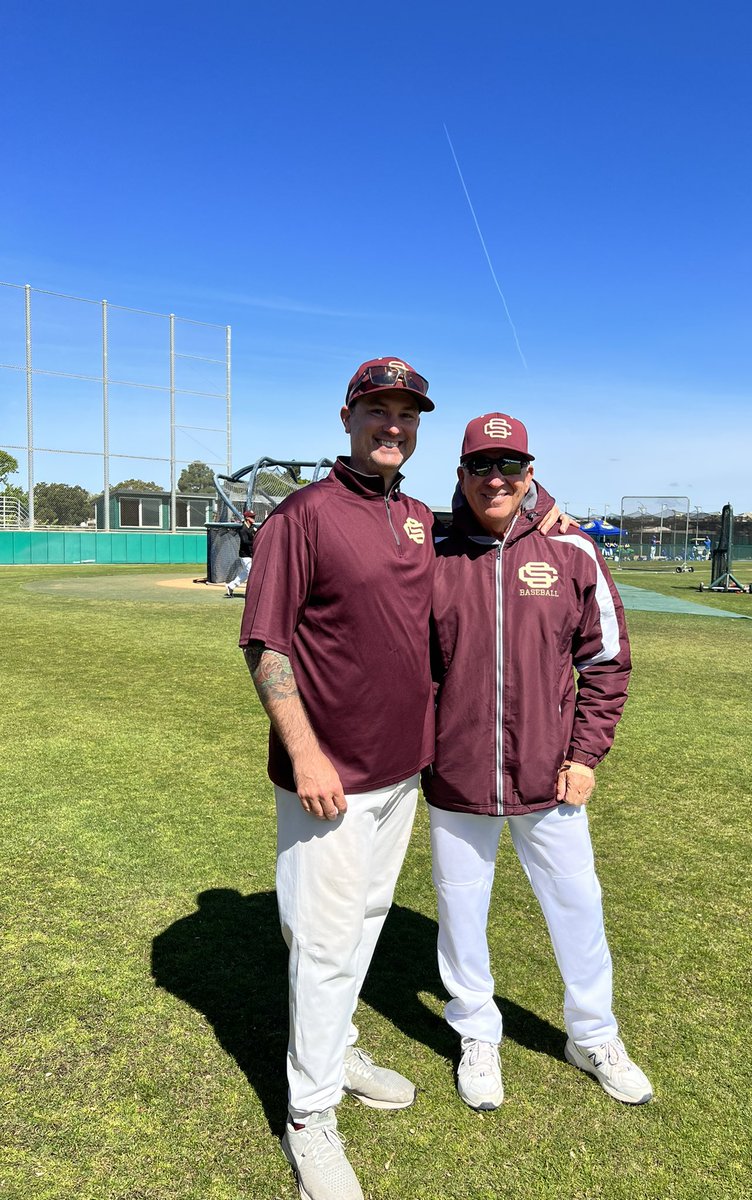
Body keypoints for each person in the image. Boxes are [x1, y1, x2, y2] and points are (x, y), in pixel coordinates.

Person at [238, 357, 437, 1200]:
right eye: (377, 410)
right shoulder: (302, 516)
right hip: (330, 775)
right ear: (348, 418)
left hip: (401, 771)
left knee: (364, 922)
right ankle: (309, 1113)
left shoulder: (421, 516)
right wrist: (307, 749)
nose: (392, 425)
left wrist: (542, 504)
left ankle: (336, 1047)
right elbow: (265, 644)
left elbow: (499, 528)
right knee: (321, 944)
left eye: (406, 412)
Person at [423, 412, 653, 1114]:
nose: (496, 478)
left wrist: (585, 754)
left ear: (530, 471)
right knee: (462, 911)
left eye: (510, 466)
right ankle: (477, 1034)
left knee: (577, 905)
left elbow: (607, 663)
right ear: (460, 474)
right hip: (456, 771)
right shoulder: (430, 551)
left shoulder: (572, 550)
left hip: (550, 772)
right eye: (481, 465)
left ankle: (592, 1034)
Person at [224, 509, 257, 597]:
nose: (253, 518)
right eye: (251, 517)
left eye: (253, 516)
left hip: (251, 554)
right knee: (251, 573)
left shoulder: (253, 527)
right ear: (246, 518)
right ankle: (250, 593)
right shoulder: (243, 529)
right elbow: (245, 541)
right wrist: (256, 541)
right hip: (245, 555)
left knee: (245, 573)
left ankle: (231, 586)